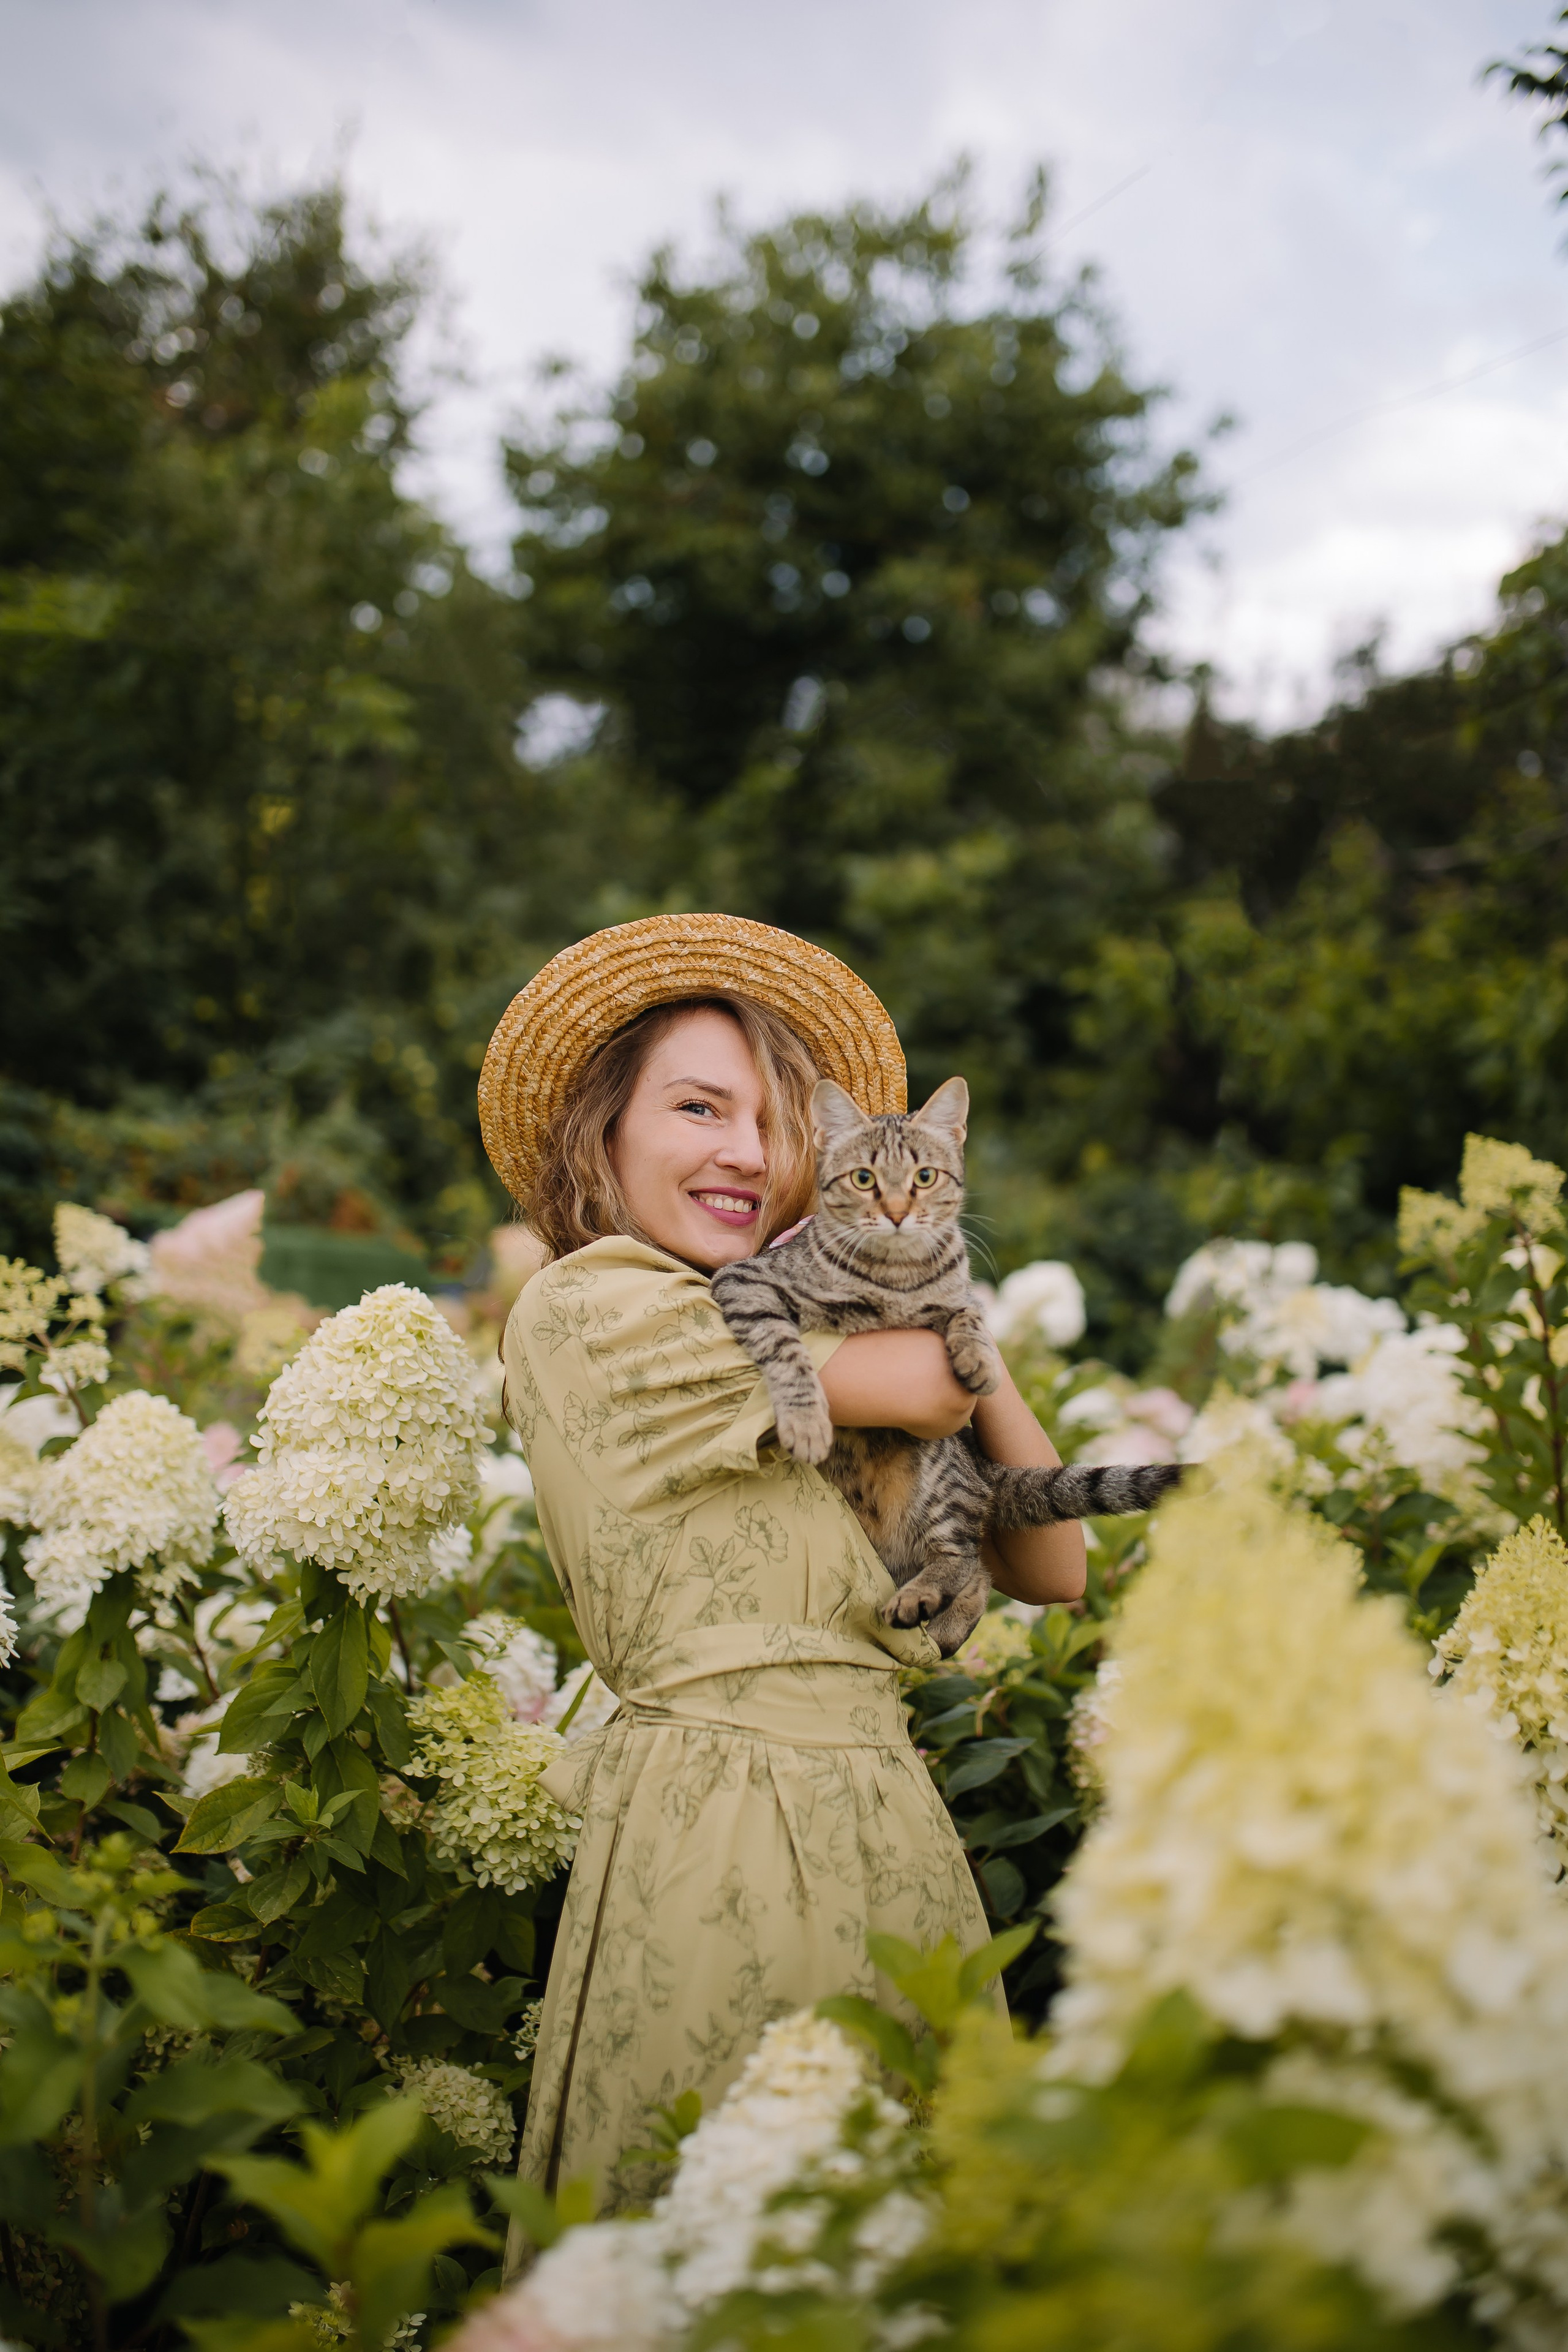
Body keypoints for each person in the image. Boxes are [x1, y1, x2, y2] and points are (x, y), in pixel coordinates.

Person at [478, 913, 1086, 2215]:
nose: (747, 1156)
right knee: (728, 2233)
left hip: (890, 1833)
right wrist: (929, 1292)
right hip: (722, 1824)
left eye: (774, 1125)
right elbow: (929, 1386)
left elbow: (1049, 1559)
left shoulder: (790, 1350)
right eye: (700, 1108)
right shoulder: (598, 1304)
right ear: (605, 1129)